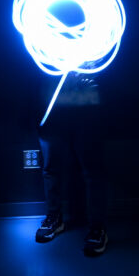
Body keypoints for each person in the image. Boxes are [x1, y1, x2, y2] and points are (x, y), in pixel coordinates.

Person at [34, 70, 108, 256]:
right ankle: (54, 217)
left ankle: (97, 228)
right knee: (51, 167)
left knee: (93, 171)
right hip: (52, 109)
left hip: (88, 109)